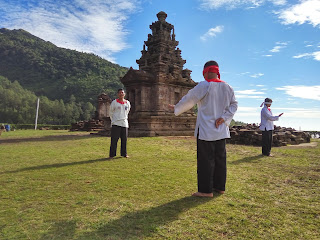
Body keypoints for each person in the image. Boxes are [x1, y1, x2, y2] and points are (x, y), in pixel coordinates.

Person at [169, 60, 238, 197]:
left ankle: (205, 190)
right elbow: (234, 105)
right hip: (221, 129)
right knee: (220, 159)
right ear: (217, 71)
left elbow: (189, 99)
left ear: (205, 72)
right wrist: (224, 118)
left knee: (206, 160)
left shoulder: (204, 85)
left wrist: (176, 108)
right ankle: (220, 187)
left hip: (206, 130)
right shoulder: (228, 87)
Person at [109, 88, 131, 158]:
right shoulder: (114, 102)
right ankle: (112, 154)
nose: (121, 94)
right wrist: (114, 120)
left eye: (122, 93)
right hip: (116, 123)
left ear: (124, 94)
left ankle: (124, 153)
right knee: (114, 140)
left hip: (124, 123)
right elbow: (111, 112)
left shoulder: (127, 103)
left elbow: (127, 111)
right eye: (120, 93)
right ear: (118, 94)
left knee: (124, 140)